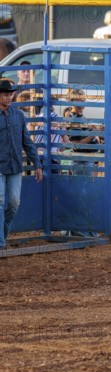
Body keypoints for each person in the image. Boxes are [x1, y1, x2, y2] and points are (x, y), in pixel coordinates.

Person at [0, 78, 43, 249]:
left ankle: (3, 235)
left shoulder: (18, 115)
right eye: (5, 94)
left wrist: (37, 164)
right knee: (1, 202)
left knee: (13, 203)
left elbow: (27, 141)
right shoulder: (18, 114)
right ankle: (1, 241)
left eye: (11, 94)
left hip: (15, 165)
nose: (9, 97)